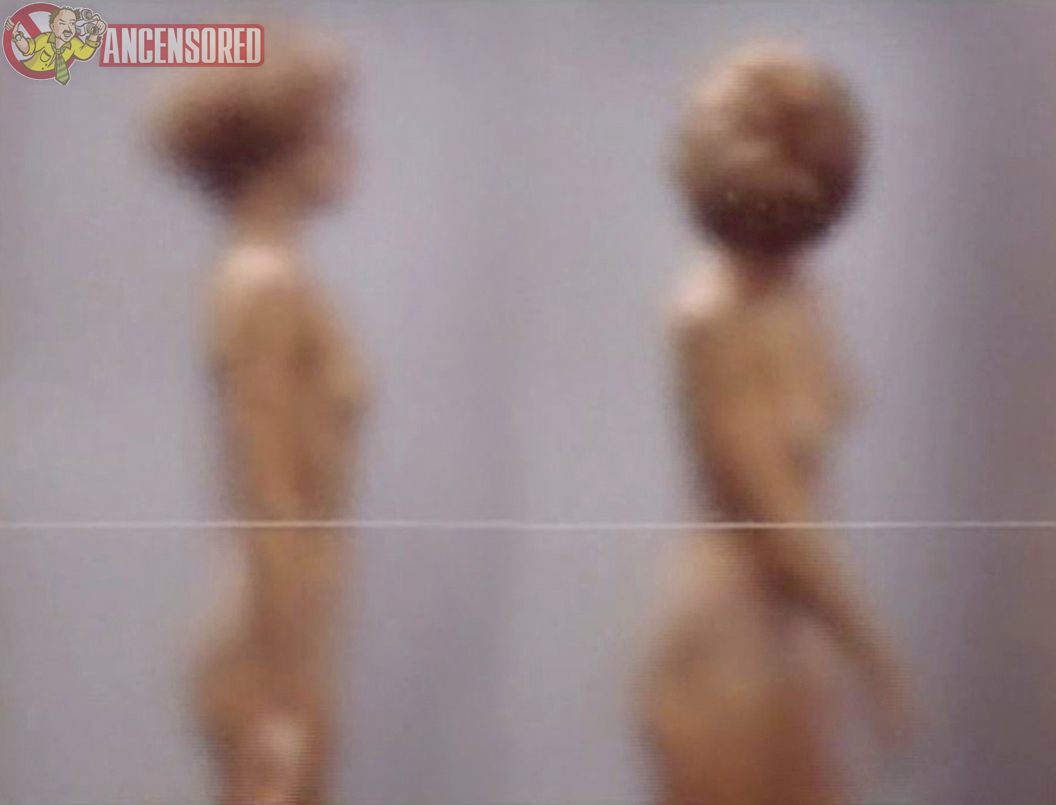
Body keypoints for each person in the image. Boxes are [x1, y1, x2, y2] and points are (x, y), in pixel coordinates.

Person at [640, 42, 908, 805]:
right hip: (728, 646)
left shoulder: (802, 302)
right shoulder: (712, 320)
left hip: (784, 640)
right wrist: (871, 650)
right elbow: (775, 513)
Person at [150, 37, 366, 805]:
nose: (349, 145)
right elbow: (268, 496)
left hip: (291, 630)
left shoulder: (275, 277)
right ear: (281, 146)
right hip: (269, 641)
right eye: (329, 125)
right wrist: (283, 689)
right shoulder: (262, 284)